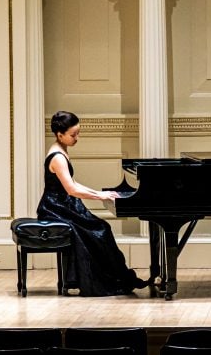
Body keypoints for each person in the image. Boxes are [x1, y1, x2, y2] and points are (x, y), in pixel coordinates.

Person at [36, 110, 147, 296]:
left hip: (63, 204)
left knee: (101, 228)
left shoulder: (61, 150)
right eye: (73, 134)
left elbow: (71, 183)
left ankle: (121, 278)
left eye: (78, 133)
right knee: (100, 230)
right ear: (59, 134)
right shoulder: (57, 157)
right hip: (56, 208)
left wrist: (98, 192)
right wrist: (101, 197)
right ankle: (111, 280)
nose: (77, 138)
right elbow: (71, 190)